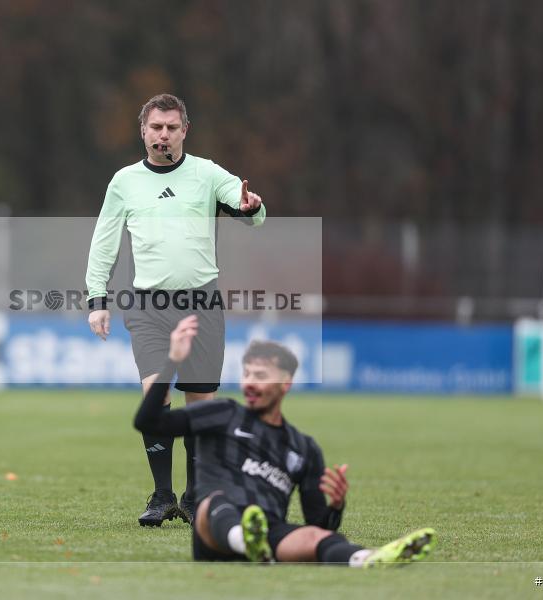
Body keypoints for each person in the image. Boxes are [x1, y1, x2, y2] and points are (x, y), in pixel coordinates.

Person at [85, 93, 266, 526]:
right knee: (157, 393)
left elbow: (250, 211)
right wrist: (97, 299)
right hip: (148, 305)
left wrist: (252, 207)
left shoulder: (207, 174)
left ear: (185, 130)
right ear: (143, 131)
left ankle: (194, 495)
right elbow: (104, 241)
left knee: (201, 403)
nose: (162, 134)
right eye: (155, 127)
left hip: (201, 303)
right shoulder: (124, 181)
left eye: (171, 127)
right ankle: (162, 495)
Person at [133, 315, 436, 564]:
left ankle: (369, 558)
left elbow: (319, 523)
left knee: (314, 538)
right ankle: (245, 539)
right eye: (248, 374)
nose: (251, 383)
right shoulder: (222, 413)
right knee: (214, 501)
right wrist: (171, 363)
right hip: (214, 535)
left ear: (286, 383)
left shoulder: (303, 448)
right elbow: (148, 421)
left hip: (268, 534)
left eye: (261, 376)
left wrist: (336, 506)